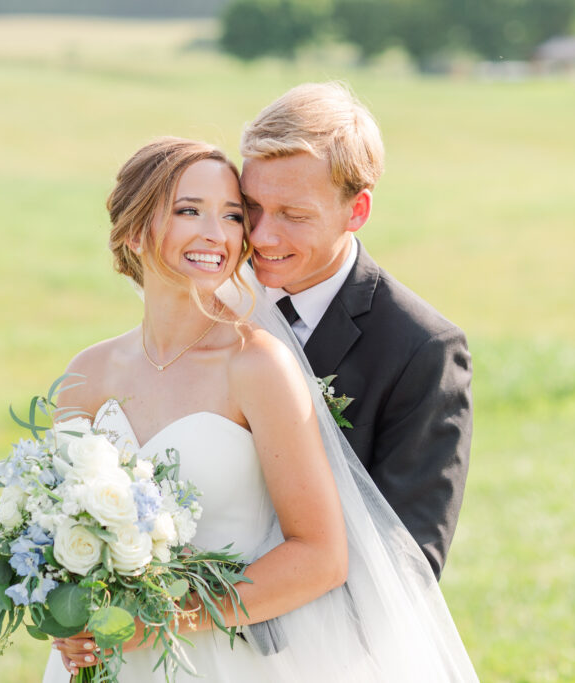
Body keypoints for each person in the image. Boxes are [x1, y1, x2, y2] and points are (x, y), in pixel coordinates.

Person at [44, 137, 477, 682]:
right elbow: (55, 534)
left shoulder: (257, 365)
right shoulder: (85, 373)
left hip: (225, 656)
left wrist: (162, 621)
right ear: (134, 230)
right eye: (188, 211)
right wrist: (63, 612)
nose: (217, 233)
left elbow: (322, 555)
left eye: (231, 215)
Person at [239, 82, 473, 578]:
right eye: (251, 207)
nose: (260, 236)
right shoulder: (213, 306)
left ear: (357, 211)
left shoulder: (422, 350)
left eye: (293, 215)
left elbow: (409, 559)